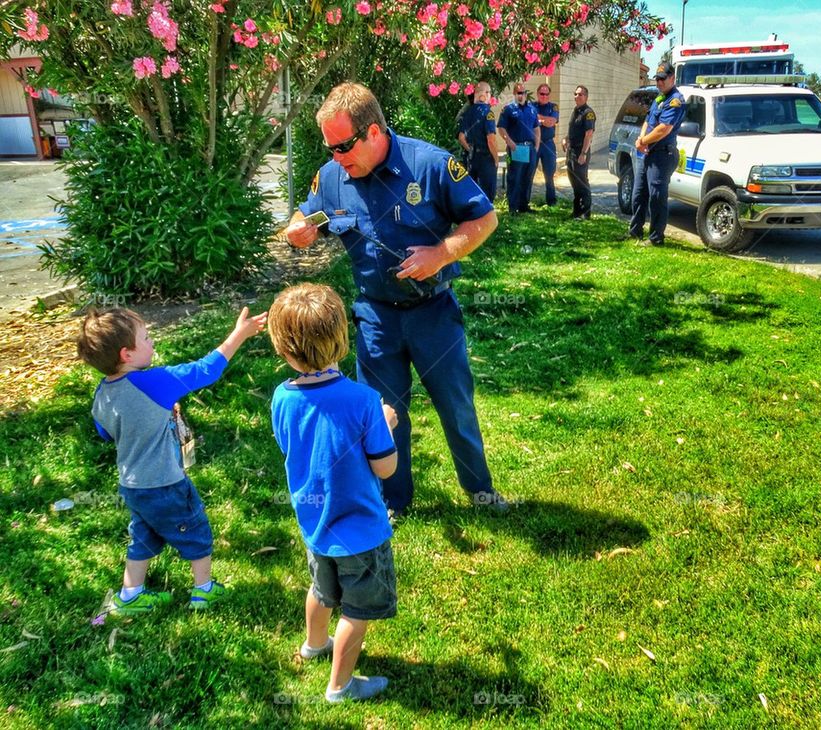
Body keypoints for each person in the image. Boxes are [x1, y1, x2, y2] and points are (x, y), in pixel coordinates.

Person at [284, 82, 508, 518]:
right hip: (375, 318)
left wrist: (442, 252)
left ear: (373, 132)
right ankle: (394, 502)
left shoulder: (429, 165)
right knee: (383, 416)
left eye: (342, 145)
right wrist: (299, 228)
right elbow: (307, 213)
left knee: (456, 406)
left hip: (433, 313)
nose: (335, 157)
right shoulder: (333, 175)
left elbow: (485, 217)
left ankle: (480, 490)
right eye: (329, 147)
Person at [77, 305, 267, 616]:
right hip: (165, 482)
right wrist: (240, 333)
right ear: (126, 354)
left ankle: (130, 595)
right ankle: (204, 590)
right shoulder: (154, 382)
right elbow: (206, 369)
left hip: (132, 484)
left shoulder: (102, 392)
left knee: (143, 534)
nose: (152, 343)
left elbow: (105, 432)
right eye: (147, 337)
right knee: (195, 529)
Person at [269, 283, 399, 703]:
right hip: (361, 532)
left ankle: (313, 644)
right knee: (357, 612)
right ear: (342, 339)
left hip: (315, 527)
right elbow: (385, 466)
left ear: (283, 349)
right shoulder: (364, 401)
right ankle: (340, 687)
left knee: (322, 590)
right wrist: (386, 426)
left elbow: (290, 445)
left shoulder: (281, 398)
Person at [629, 62, 686, 245]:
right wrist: (641, 139)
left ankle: (656, 238)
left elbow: (664, 129)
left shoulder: (675, 100)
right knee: (638, 194)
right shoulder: (659, 98)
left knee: (657, 197)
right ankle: (635, 232)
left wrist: (643, 142)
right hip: (647, 153)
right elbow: (647, 121)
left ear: (672, 78)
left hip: (662, 155)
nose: (659, 82)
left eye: (663, 79)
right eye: (657, 78)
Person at [497, 82, 540, 214]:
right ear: (515, 94)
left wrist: (537, 146)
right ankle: (513, 207)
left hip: (530, 148)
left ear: (526, 94)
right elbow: (501, 128)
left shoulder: (532, 109)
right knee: (515, 178)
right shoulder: (508, 109)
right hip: (516, 148)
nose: (521, 95)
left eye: (523, 92)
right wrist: (509, 142)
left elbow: (536, 128)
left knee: (528, 177)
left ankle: (524, 205)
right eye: (519, 93)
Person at [457, 81, 499, 202]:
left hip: (471, 157)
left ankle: (474, 216)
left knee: (473, 192)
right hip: (486, 157)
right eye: (489, 92)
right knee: (488, 192)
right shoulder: (487, 112)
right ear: (485, 94)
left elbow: (461, 137)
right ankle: (488, 218)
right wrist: (495, 158)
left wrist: (470, 149)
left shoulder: (468, 112)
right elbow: (491, 139)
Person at [561, 85, 596, 220]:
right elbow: (574, 131)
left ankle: (585, 212)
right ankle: (576, 211)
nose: (577, 96)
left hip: (581, 151)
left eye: (580, 94)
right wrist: (566, 139)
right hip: (571, 151)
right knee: (574, 181)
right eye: (575, 94)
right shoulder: (575, 111)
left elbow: (588, 134)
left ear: (586, 97)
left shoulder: (588, 113)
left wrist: (583, 153)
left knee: (581, 182)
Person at [534, 83, 560, 206]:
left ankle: (551, 201)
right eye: (541, 94)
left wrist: (538, 119)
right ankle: (524, 202)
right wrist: (545, 120)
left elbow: (551, 122)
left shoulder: (553, 107)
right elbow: (547, 121)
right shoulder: (531, 106)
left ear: (549, 95)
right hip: (534, 144)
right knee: (528, 173)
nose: (544, 96)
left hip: (548, 144)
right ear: (537, 94)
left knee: (549, 174)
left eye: (546, 94)